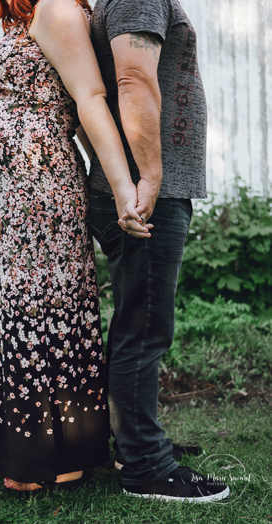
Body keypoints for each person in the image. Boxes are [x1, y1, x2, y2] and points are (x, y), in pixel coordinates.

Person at [0, 0, 150, 492]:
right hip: (2, 194)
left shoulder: (61, 8)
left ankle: (51, 454)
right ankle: (22, 451)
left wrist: (124, 186)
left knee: (38, 301)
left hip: (32, 184)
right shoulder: (44, 10)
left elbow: (89, 100)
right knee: (10, 301)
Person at [87, 0, 229, 502]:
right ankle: (145, 465)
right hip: (146, 194)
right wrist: (148, 177)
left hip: (142, 189)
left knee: (136, 325)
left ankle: (135, 442)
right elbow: (132, 79)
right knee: (144, 331)